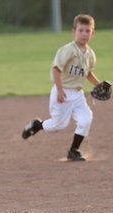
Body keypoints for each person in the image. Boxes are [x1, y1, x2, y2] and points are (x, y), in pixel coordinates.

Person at [21, 14, 102, 161]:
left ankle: (74, 150)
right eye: (81, 30)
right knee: (57, 126)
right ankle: (37, 125)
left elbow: (87, 72)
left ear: (92, 33)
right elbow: (56, 69)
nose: (84, 34)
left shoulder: (90, 54)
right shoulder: (68, 50)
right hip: (63, 91)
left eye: (87, 31)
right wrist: (59, 90)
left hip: (78, 94)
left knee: (86, 119)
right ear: (74, 32)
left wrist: (98, 84)